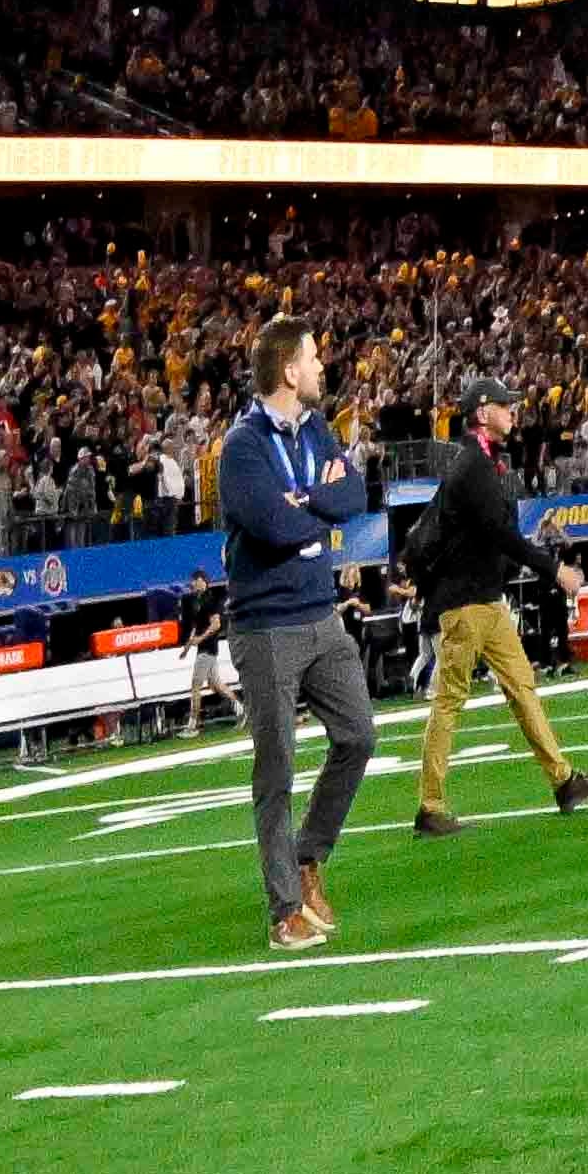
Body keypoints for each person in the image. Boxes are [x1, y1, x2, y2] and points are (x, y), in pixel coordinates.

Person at [215, 319, 380, 955]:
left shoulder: (314, 428)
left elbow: (354, 495)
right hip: (266, 626)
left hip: (320, 613)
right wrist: (314, 503)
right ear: (288, 372)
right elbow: (272, 525)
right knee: (277, 766)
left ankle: (309, 857)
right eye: (314, 357)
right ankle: (284, 909)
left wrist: (304, 494)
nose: (321, 366)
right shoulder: (243, 445)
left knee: (359, 736)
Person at [397, 388, 588, 833]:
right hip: (465, 604)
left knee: (522, 688)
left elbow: (495, 535)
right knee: (451, 701)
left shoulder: (479, 462)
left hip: (484, 601)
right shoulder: (473, 465)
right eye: (506, 406)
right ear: (483, 412)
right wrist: (555, 571)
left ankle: (564, 781)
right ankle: (429, 807)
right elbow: (501, 534)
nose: (514, 412)